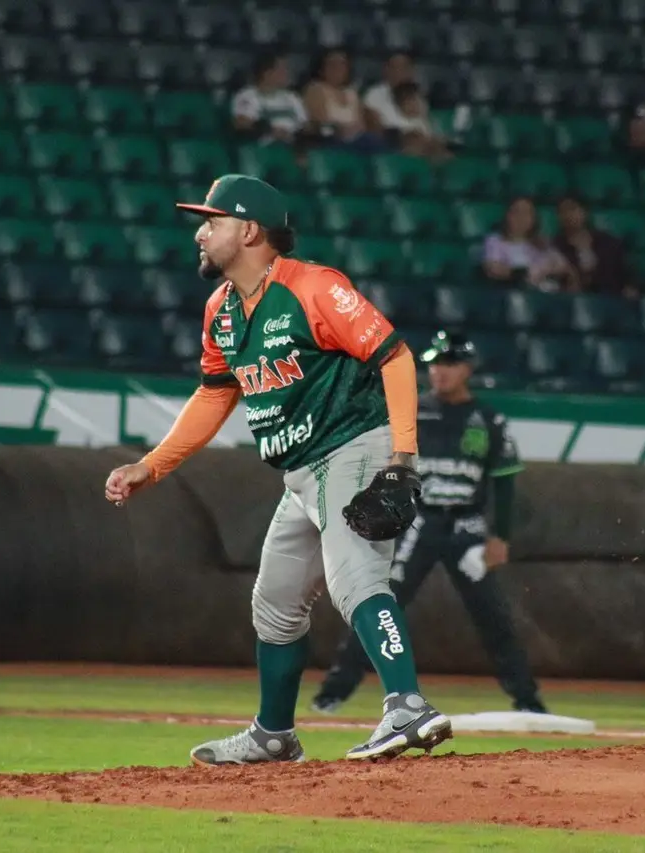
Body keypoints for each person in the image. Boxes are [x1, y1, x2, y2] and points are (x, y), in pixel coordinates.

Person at [104, 174, 451, 765]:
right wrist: (152, 466)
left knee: (356, 579)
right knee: (275, 600)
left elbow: (395, 357)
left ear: (248, 230)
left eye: (211, 221)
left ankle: (408, 706)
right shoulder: (222, 309)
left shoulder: (314, 288)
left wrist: (402, 459)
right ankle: (273, 735)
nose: (200, 232)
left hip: (352, 444)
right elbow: (216, 394)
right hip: (301, 470)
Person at [311, 331, 547, 715]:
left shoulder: (488, 420)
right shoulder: (411, 411)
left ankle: (528, 700)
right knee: (380, 603)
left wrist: (500, 536)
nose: (440, 372)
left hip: (466, 528)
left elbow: (504, 480)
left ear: (467, 370)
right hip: (416, 523)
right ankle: (333, 693)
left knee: (493, 615)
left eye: (449, 364)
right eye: (435, 363)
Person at [482, 197, 576, 291]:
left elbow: (566, 270)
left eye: (527, 213)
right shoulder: (495, 241)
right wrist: (529, 272)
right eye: (516, 212)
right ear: (507, 215)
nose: (521, 217)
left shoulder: (543, 243)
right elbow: (494, 270)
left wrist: (549, 271)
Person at [552, 196, 639, 298]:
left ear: (585, 212)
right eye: (563, 211)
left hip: (612, 299)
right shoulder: (555, 247)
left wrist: (630, 288)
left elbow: (628, 274)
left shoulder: (609, 243)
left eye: (572, 209)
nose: (568, 215)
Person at [302, 48, 381, 151]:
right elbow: (318, 121)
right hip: (330, 138)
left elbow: (361, 123)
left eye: (342, 65)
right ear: (322, 69)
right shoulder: (316, 89)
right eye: (332, 65)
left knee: (374, 141)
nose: (337, 69)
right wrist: (340, 129)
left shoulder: (352, 92)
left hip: (356, 138)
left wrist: (354, 130)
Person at [230, 52, 311, 147]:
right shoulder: (247, 95)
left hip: (293, 148)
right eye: (282, 70)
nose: (287, 73)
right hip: (262, 149)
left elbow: (305, 126)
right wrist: (271, 130)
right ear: (267, 73)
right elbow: (241, 123)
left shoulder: (292, 97)